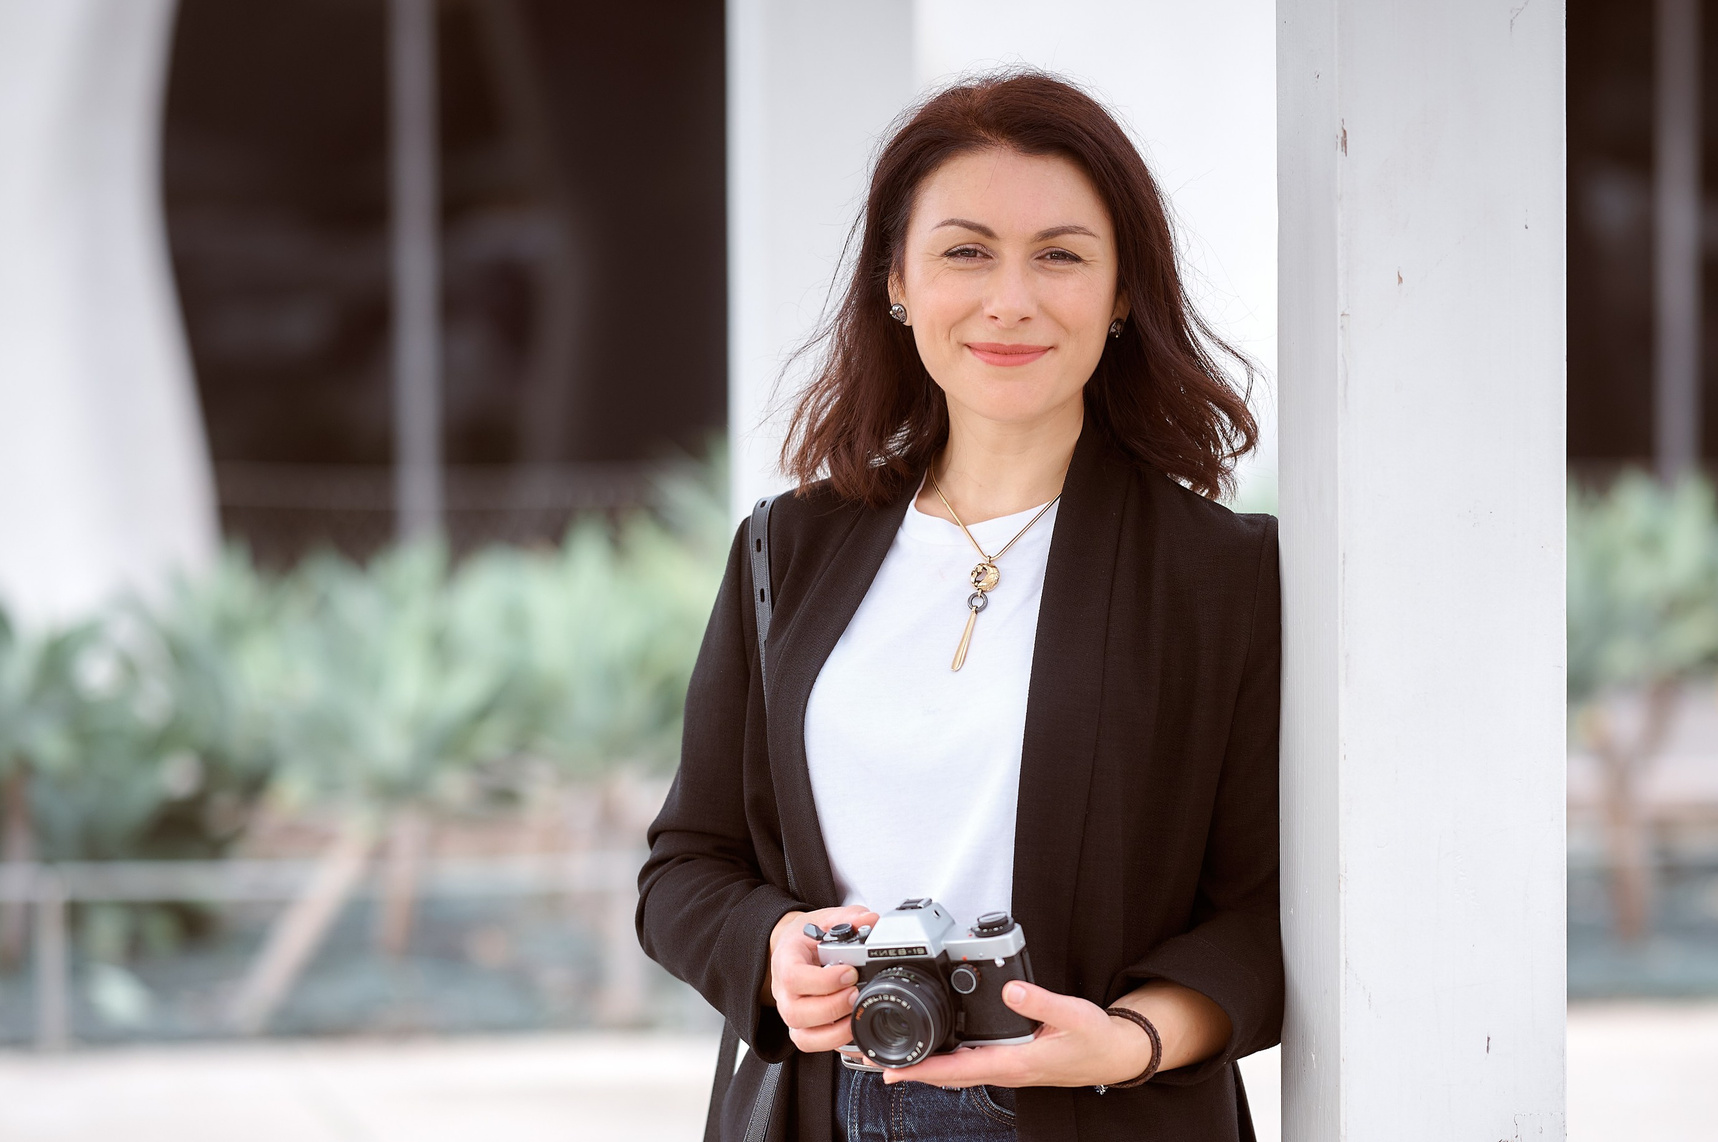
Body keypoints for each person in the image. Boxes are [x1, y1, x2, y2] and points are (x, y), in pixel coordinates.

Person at [638, 70, 1281, 1142]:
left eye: (1060, 254)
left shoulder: (1221, 575)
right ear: (896, 279)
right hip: (823, 1107)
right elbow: (685, 865)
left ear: (1122, 290)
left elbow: (1269, 905)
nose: (1010, 300)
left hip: (1095, 1115)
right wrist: (772, 947)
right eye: (965, 250)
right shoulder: (783, 549)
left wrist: (1128, 1037)